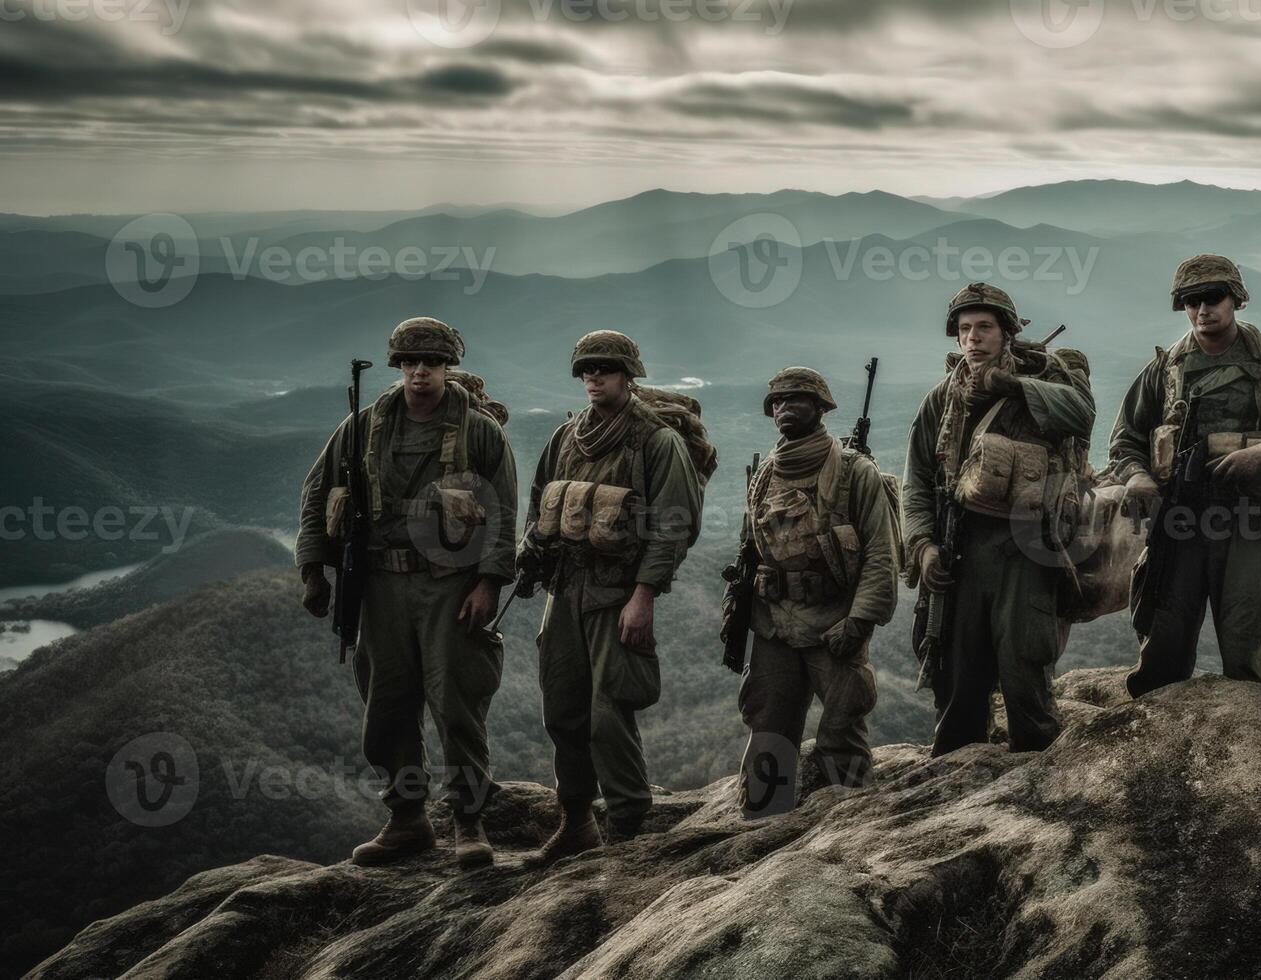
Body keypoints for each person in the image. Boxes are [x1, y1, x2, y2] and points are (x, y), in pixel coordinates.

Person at [295, 316, 515, 868]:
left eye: (432, 363)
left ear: (448, 367)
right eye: (411, 362)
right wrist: (312, 569)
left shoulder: (478, 431)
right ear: (398, 366)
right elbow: (319, 490)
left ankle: (468, 820)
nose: (421, 371)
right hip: (381, 585)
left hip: (449, 586)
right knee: (387, 706)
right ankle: (407, 819)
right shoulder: (365, 425)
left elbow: (506, 509)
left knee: (456, 704)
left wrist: (489, 581)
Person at [1110, 254, 1261, 697]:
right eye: (1191, 301)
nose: (1202, 310)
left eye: (1213, 298)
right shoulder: (1166, 370)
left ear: (1236, 300)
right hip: (1178, 525)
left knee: (1245, 639)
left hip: (1249, 522)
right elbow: (1126, 438)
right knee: (1163, 642)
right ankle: (1155, 744)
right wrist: (1136, 475)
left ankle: (1250, 749)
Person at [519, 330, 704, 861]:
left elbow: (674, 526)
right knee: (563, 708)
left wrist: (644, 596)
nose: (593, 377)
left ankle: (626, 822)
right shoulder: (566, 438)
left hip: (617, 593)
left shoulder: (654, 440)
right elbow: (539, 503)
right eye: (586, 370)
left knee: (609, 713)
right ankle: (576, 820)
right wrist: (530, 550)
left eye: (604, 368)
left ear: (628, 375)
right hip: (565, 589)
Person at [901, 282, 1094, 755]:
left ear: (1007, 333)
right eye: (964, 329)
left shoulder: (1044, 381)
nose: (973, 338)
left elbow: (1081, 414)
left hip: (1025, 549)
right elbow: (917, 482)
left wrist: (1013, 386)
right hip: (958, 550)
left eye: (984, 327)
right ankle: (952, 786)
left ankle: (1041, 780)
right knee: (957, 675)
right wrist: (923, 545)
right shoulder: (941, 400)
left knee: (1024, 668)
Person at [736, 367, 898, 796]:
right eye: (778, 402)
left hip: (834, 622)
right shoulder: (765, 473)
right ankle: (763, 830)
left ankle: (852, 829)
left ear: (821, 408)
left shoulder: (853, 472)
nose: (785, 408)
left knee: (841, 733)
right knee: (769, 730)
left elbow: (882, 553)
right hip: (775, 622)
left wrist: (860, 620)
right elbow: (753, 548)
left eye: (797, 399)